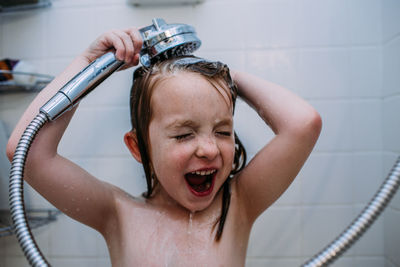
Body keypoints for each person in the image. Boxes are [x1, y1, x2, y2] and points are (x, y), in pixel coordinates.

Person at [7, 27, 322, 266]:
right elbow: (26, 152)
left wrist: (221, 74)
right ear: (139, 148)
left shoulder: (238, 204)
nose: (209, 149)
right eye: (184, 135)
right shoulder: (117, 213)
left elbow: (303, 123)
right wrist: (90, 66)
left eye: (223, 131)